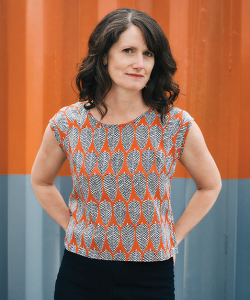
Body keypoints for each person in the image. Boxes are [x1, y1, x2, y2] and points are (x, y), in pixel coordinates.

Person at [31, 8, 222, 300]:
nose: (139, 63)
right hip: (82, 270)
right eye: (128, 50)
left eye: (148, 54)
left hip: (150, 274)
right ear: (105, 56)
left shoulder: (174, 124)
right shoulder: (68, 122)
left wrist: (173, 238)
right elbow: (41, 181)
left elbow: (210, 185)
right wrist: (73, 226)